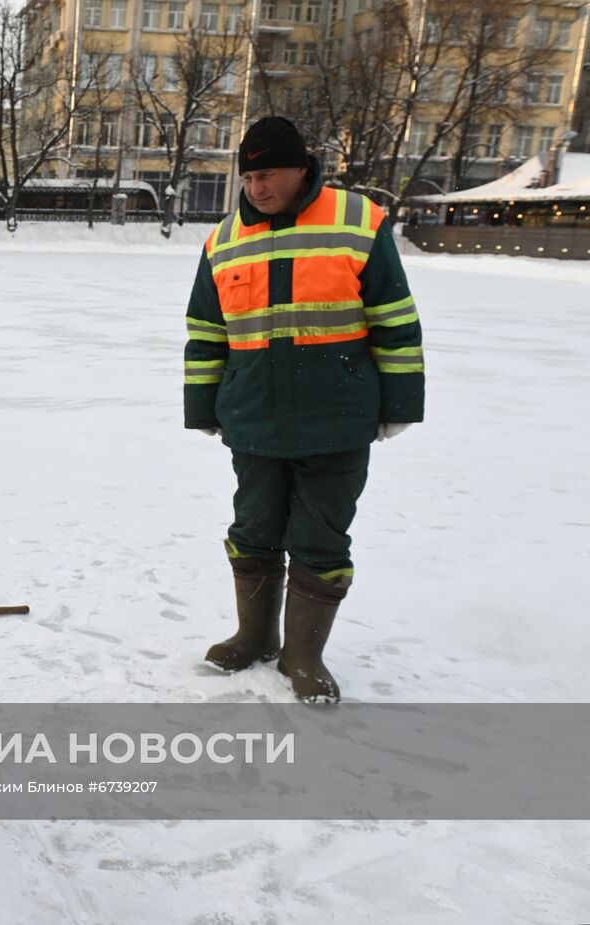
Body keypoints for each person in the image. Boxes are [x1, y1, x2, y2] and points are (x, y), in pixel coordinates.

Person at [184, 116, 424, 703]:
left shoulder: (357, 221)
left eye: (267, 175)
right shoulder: (224, 239)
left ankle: (302, 656)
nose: (257, 188)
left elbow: (394, 318)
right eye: (249, 177)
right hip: (254, 415)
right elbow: (206, 330)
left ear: (300, 168)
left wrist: (399, 404)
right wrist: (205, 404)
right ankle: (254, 636)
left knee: (321, 538)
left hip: (336, 417)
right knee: (254, 529)